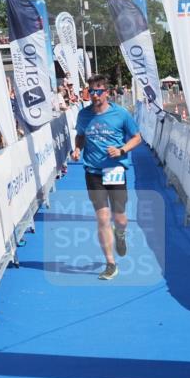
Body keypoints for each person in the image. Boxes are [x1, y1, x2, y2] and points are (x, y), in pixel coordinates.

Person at [71, 74, 142, 281]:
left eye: (98, 90)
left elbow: (137, 138)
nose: (94, 95)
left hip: (115, 171)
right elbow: (80, 135)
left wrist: (121, 150)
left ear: (107, 92)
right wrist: (77, 149)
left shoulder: (120, 114)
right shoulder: (83, 115)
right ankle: (110, 264)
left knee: (120, 219)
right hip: (93, 172)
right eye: (91, 91)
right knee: (102, 218)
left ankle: (120, 233)